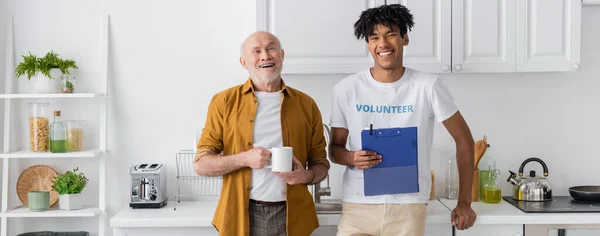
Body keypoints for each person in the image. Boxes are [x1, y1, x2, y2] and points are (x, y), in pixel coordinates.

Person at [329, 4, 477, 236]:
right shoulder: (346, 89)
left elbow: (465, 141)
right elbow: (335, 149)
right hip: (358, 207)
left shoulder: (428, 86)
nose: (383, 44)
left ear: (405, 38)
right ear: (368, 44)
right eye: (374, 37)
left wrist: (465, 202)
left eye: (391, 35)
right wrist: (351, 157)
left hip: (409, 207)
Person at [194, 31, 330, 236]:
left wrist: (306, 175)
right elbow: (201, 164)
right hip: (240, 216)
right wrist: (244, 158)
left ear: (282, 55)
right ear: (244, 61)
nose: (265, 56)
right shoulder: (223, 102)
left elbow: (321, 164)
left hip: (293, 217)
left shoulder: (306, 105)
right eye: (256, 51)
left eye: (271, 48)